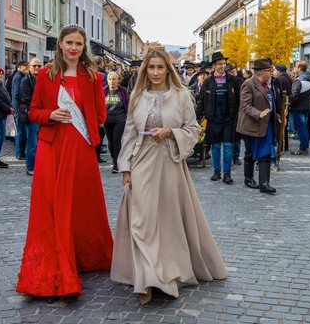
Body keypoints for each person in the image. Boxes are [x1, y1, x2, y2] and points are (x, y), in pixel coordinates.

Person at [111, 48, 227, 305]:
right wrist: (125, 167)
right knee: (141, 221)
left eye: (159, 67)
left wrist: (172, 132)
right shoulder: (137, 97)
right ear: (145, 70)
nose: (154, 72)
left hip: (170, 162)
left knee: (167, 220)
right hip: (141, 161)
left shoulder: (182, 95)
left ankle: (163, 273)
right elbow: (129, 134)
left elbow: (193, 129)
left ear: (167, 69)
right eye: (150, 67)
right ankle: (146, 279)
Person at [16, 25, 113, 300]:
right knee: (51, 205)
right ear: (59, 44)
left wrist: (88, 127)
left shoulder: (93, 76)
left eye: (79, 44)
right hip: (52, 148)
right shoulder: (46, 75)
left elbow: (100, 114)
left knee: (80, 203)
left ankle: (82, 256)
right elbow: (32, 111)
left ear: (84, 48)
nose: (73, 48)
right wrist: (51, 115)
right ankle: (58, 261)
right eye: (69, 42)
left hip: (80, 149)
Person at [196, 52, 242, 185]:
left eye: (224, 64)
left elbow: (240, 100)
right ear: (214, 66)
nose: (222, 66)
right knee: (215, 146)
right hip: (213, 119)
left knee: (228, 146)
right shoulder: (207, 82)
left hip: (229, 118)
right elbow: (201, 101)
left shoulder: (234, 81)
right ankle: (217, 172)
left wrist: (237, 115)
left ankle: (227, 174)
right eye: (220, 64)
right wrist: (197, 118)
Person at [236, 59, 280, 193]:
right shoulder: (248, 84)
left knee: (265, 153)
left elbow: (270, 102)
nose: (271, 73)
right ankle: (248, 178)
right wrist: (258, 114)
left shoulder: (268, 84)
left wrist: (275, 114)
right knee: (250, 154)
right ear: (263, 72)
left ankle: (264, 184)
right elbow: (245, 105)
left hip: (266, 124)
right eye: (270, 71)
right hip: (251, 125)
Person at [18, 57, 42, 176]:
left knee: (41, 142)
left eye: (39, 66)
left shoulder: (42, 79)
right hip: (32, 114)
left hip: (43, 113)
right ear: (29, 67)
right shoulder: (25, 80)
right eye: (34, 66)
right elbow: (26, 98)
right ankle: (30, 167)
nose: (37, 68)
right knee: (32, 142)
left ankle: (39, 165)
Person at [103, 72, 129, 173]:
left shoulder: (122, 91)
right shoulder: (103, 91)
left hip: (120, 119)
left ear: (118, 80)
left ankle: (116, 164)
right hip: (107, 120)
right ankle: (115, 159)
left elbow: (127, 103)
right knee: (110, 142)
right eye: (110, 79)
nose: (112, 81)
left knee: (116, 141)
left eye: (114, 79)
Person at [289, 62, 310, 155]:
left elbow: (294, 95)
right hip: (307, 107)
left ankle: (303, 148)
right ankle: (305, 147)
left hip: (298, 107)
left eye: (295, 67)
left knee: (302, 129)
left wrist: (288, 100)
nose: (294, 69)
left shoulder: (298, 80)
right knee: (304, 128)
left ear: (299, 68)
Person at [11, 61, 29, 160]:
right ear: (20, 67)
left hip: (20, 107)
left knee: (22, 131)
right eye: (26, 66)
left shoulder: (20, 75)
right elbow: (17, 93)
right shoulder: (18, 76)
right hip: (19, 108)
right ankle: (20, 153)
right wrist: (25, 101)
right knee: (20, 131)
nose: (27, 67)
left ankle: (21, 152)